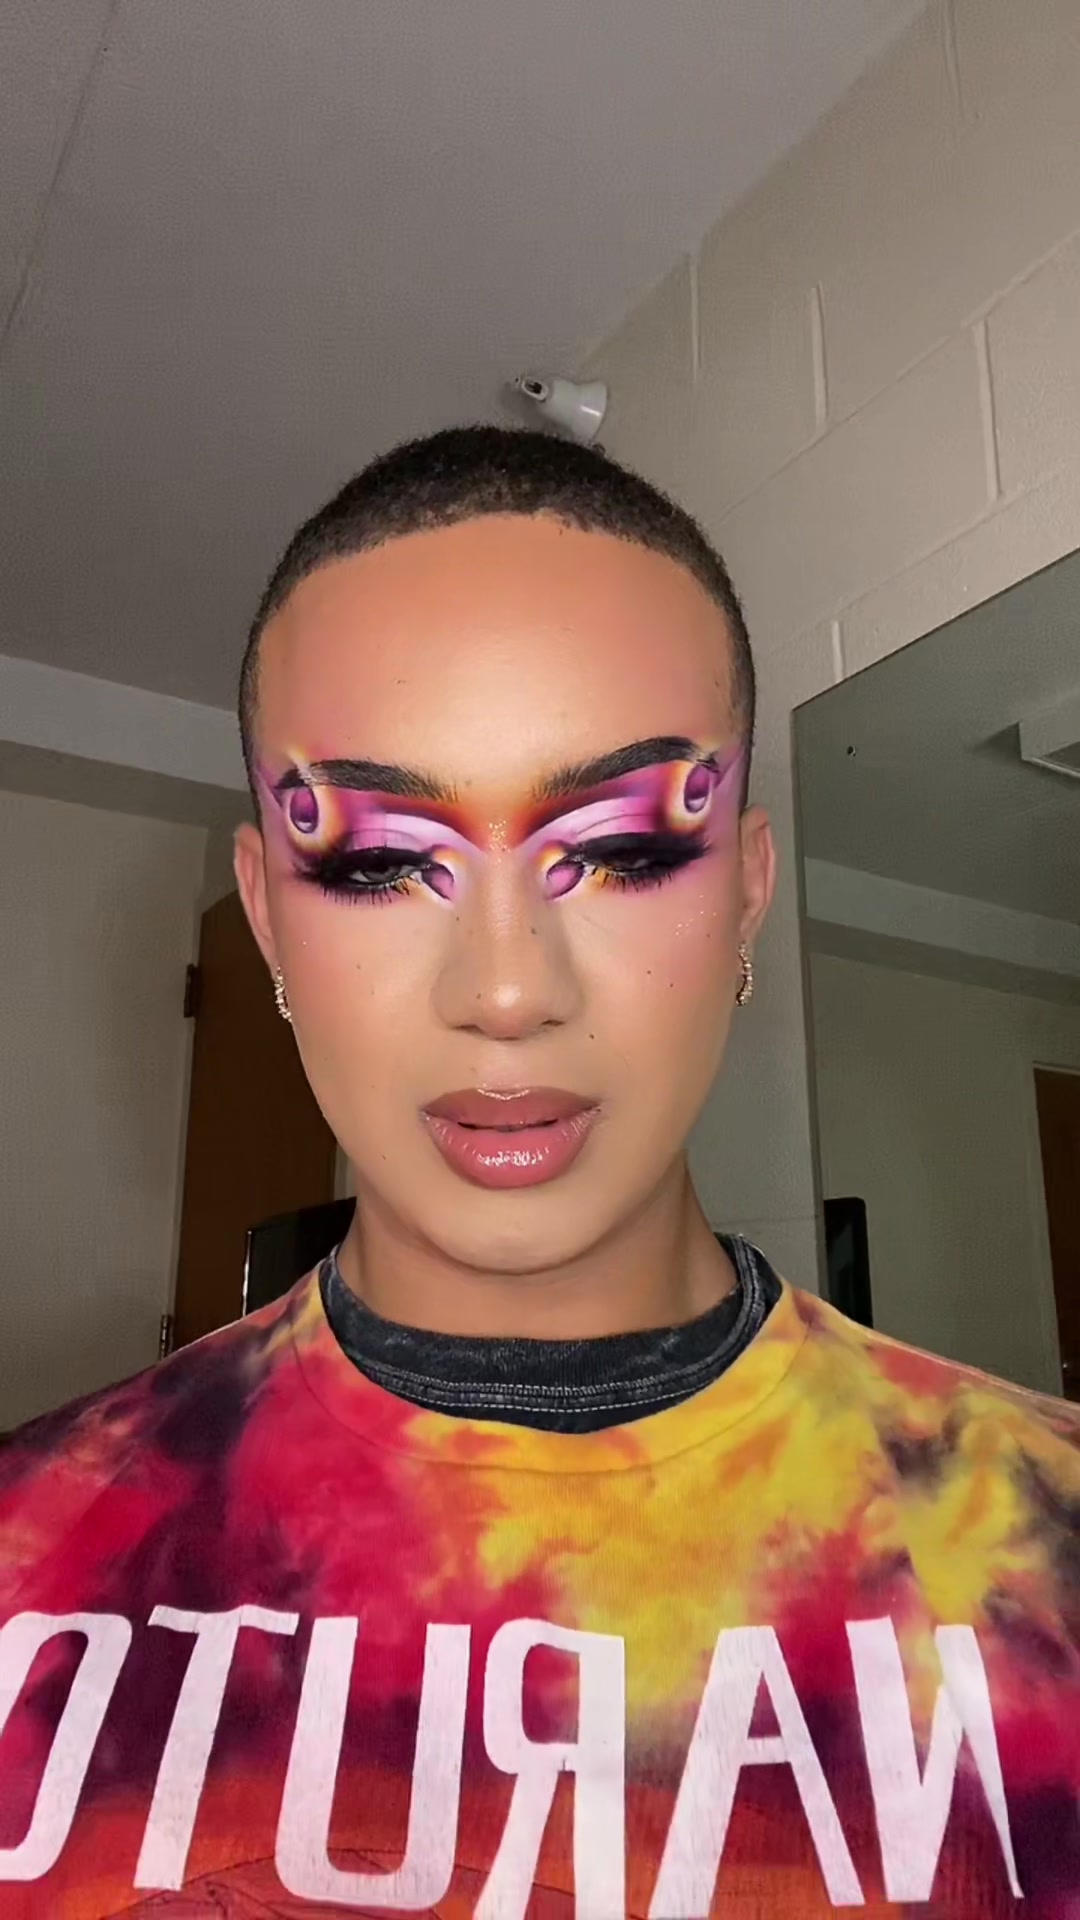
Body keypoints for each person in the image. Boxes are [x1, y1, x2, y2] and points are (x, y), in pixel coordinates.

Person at [0, 427, 1077, 1919]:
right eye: (379, 862)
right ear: (267, 918)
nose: (507, 991)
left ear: (747, 891)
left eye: (624, 849)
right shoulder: (28, 1552)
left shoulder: (1046, 1542)